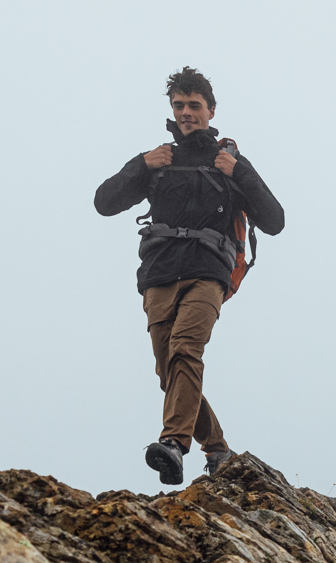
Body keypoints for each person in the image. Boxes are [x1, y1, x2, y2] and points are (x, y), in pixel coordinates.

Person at [94, 66, 285, 485]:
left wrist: (240, 173)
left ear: (211, 110)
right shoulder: (159, 160)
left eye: (194, 105)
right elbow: (104, 203)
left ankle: (174, 445)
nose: (186, 113)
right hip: (159, 275)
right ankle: (218, 451)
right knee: (170, 371)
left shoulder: (229, 161)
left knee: (185, 348)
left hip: (208, 272)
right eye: (179, 105)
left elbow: (274, 220)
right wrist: (140, 165)